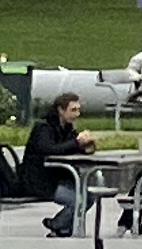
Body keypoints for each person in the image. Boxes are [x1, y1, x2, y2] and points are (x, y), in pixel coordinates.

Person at [19, 92, 97, 234]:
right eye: (73, 110)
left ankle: (61, 227)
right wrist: (76, 142)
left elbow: (70, 147)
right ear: (61, 110)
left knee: (89, 198)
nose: (77, 114)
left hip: (57, 178)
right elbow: (50, 150)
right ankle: (59, 225)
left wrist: (86, 146)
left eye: (78, 110)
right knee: (79, 200)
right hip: (39, 180)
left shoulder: (67, 128)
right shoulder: (43, 128)